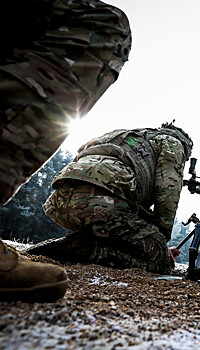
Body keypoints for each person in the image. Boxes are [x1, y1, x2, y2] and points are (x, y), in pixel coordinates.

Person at [1, 0, 131, 302]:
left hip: (56, 202)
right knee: (102, 25)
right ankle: (90, 246)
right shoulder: (168, 147)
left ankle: (77, 243)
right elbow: (167, 193)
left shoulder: (120, 138)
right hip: (93, 208)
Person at [27, 122, 193, 275]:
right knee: (162, 264)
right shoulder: (173, 143)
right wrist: (160, 245)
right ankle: (88, 251)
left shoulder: (127, 136)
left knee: (119, 232)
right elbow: (168, 193)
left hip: (60, 203)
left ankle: (73, 244)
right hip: (101, 204)